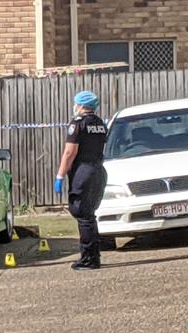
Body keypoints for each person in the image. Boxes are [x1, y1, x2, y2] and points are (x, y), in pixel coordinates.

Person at [55, 91, 108, 271]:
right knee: (90, 214)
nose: (74, 106)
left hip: (83, 171)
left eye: (76, 103)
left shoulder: (77, 124)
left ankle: (88, 259)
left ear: (81, 105)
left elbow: (70, 152)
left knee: (82, 213)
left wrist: (60, 176)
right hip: (98, 170)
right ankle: (94, 255)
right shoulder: (100, 123)